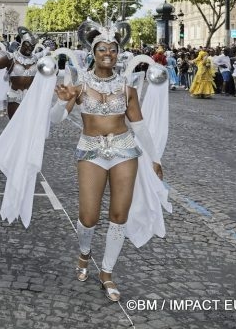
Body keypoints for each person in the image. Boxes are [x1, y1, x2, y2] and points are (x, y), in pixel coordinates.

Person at [54, 20, 167, 303]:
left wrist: (155, 158)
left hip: (124, 151)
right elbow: (57, 119)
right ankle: (84, 252)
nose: (108, 54)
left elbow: (139, 127)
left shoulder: (128, 87)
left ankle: (107, 272)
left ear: (119, 53)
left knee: (119, 215)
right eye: (102, 49)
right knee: (88, 216)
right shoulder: (78, 86)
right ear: (93, 52)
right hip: (91, 152)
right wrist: (61, 101)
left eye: (113, 50)